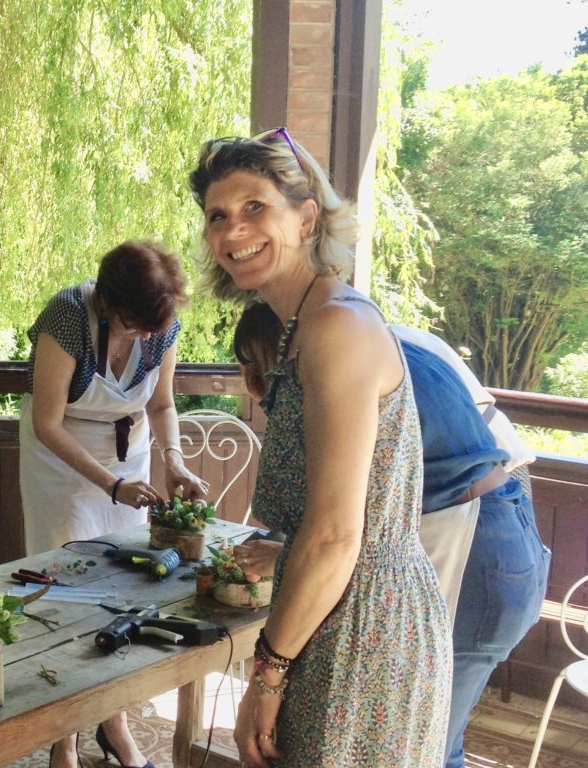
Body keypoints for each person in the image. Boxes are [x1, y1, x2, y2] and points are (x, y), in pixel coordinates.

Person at [189, 131, 451, 767]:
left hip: (361, 633)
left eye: (255, 207)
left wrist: (267, 676)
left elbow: (337, 534)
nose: (233, 231)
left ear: (306, 217)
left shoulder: (336, 325)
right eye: (217, 216)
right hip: (330, 614)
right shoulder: (304, 326)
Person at [234, 302, 552, 767]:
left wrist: (271, 670)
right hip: (508, 523)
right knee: (433, 739)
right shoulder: (379, 332)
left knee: (425, 747)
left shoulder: (334, 360)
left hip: (469, 539)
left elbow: (340, 534)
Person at [19, 240, 208, 768]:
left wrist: (174, 462)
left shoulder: (160, 322)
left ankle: (115, 723)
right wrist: (109, 484)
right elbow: (46, 423)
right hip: (61, 457)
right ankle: (64, 738)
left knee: (129, 587)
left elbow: (163, 402)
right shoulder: (67, 316)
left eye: (153, 328)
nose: (146, 337)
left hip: (130, 449)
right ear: (107, 301)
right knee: (67, 591)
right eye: (134, 325)